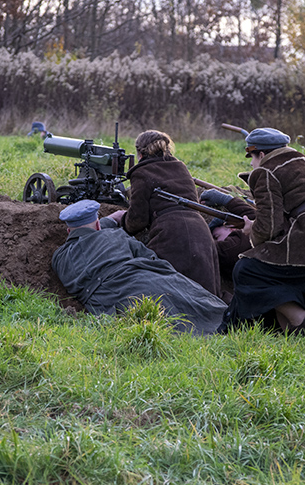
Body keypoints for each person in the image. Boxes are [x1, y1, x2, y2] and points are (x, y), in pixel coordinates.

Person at [221, 127, 305, 335]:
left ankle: (299, 318)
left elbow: (268, 227)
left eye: (252, 156)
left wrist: (252, 230)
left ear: (262, 154)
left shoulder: (265, 171)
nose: (251, 163)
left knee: (247, 269)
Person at [51, 200, 227, 336]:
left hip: (104, 302)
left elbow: (85, 237)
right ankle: (228, 324)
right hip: (139, 280)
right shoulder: (115, 235)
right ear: (98, 225)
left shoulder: (58, 258)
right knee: (190, 296)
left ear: (68, 232)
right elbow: (150, 257)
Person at [111, 130, 221, 296]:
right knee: (207, 294)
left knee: (169, 294)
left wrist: (122, 220)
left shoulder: (141, 172)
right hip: (200, 231)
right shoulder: (180, 167)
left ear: (140, 153)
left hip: (171, 234)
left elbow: (137, 220)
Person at [200, 189, 255, 278]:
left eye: (216, 236)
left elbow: (224, 251)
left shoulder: (235, 246)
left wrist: (227, 200)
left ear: (231, 227)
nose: (215, 241)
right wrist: (228, 200)